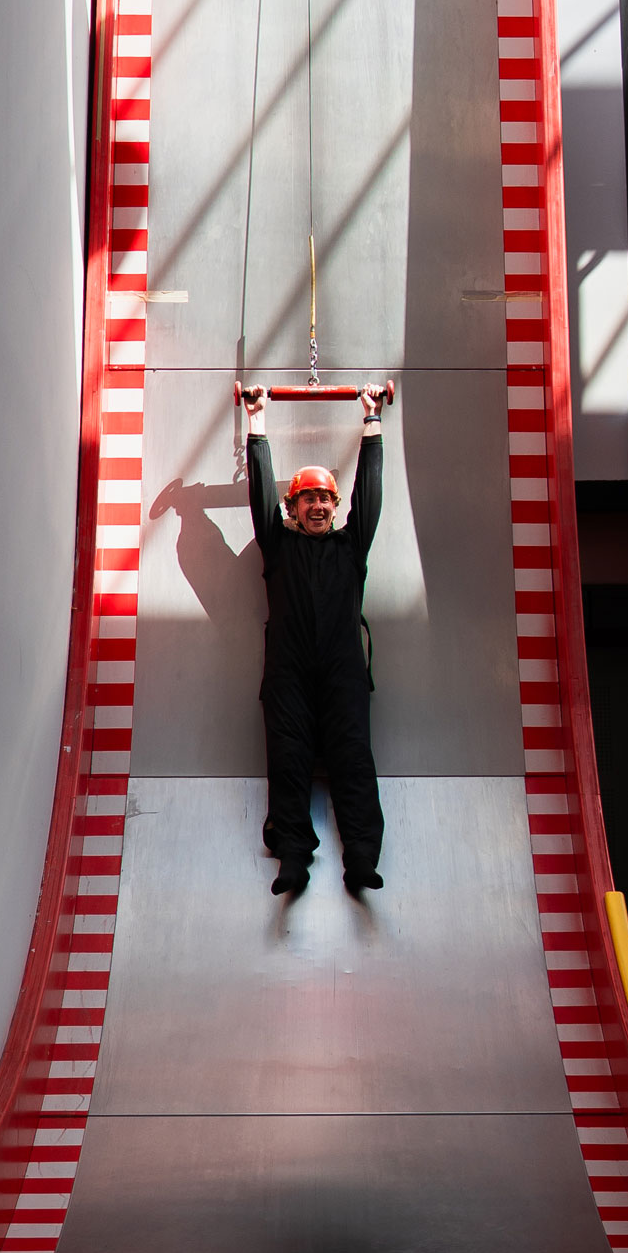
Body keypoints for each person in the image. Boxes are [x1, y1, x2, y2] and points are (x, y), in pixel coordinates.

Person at [241, 383, 386, 897]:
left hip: (343, 674)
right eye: (309, 498)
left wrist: (372, 422)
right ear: (293, 505)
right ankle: (294, 858)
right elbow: (258, 496)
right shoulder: (277, 547)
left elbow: (370, 496)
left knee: (353, 759)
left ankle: (362, 859)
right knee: (287, 759)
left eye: (326, 497)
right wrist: (256, 423)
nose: (319, 505)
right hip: (289, 676)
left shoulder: (351, 548)